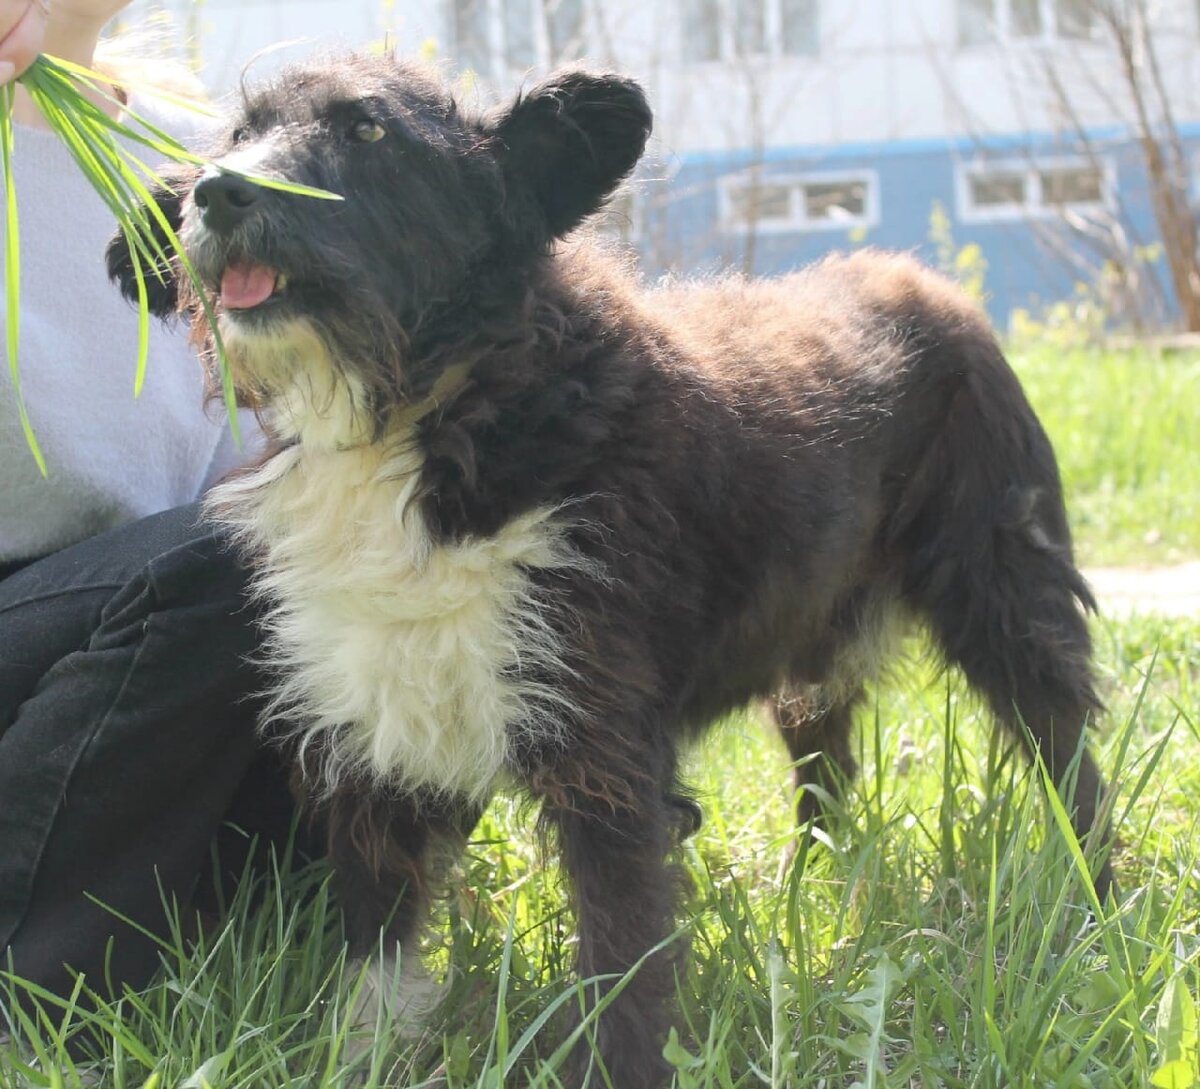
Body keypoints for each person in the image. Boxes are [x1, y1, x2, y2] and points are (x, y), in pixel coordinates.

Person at [0, 0, 302, 1020]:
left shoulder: (198, 154)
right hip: (63, 606)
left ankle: (286, 948)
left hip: (165, 615)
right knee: (219, 563)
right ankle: (36, 998)